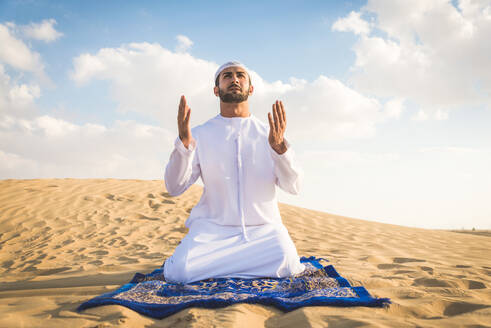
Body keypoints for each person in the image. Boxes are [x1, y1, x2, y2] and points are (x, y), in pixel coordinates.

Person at [163, 61, 305, 284]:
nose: (235, 79)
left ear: (251, 88)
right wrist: (184, 146)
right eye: (227, 76)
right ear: (216, 89)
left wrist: (279, 150)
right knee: (180, 272)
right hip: (212, 232)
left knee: (288, 264)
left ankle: (220, 268)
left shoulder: (270, 135)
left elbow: (294, 186)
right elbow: (174, 187)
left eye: (241, 76)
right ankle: (237, 265)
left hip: (263, 232)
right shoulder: (199, 134)